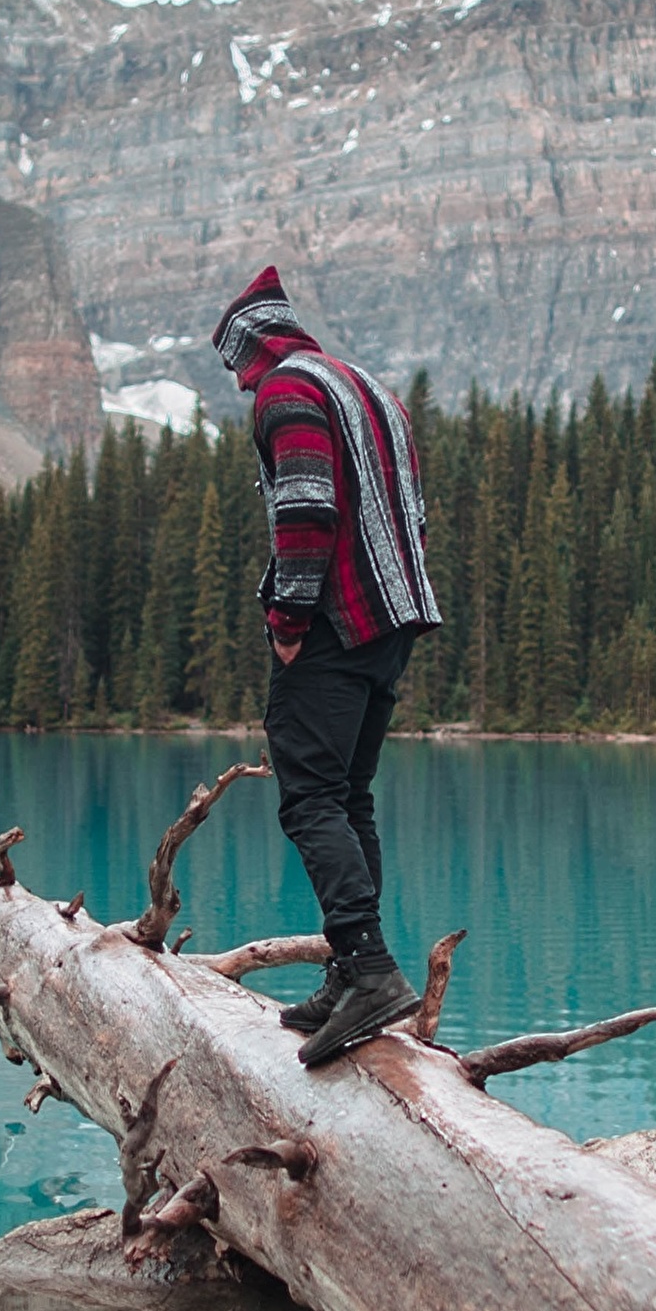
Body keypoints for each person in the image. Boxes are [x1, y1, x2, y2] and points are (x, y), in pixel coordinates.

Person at [211, 264, 441, 1067]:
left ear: (253, 349)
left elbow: (305, 509)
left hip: (337, 621)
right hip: (395, 617)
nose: (243, 389)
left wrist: (286, 620)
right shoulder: (366, 386)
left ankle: (370, 968)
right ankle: (351, 970)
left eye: (238, 370)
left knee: (308, 796)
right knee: (349, 796)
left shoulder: (286, 391)